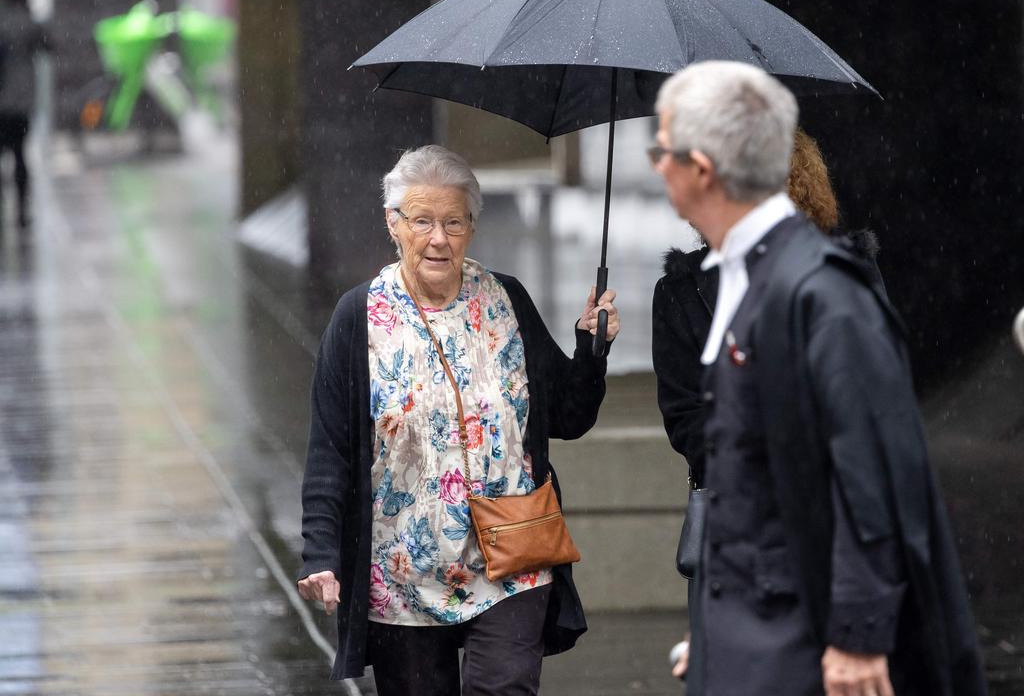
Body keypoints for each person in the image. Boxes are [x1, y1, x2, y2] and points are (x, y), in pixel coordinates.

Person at [648, 61, 986, 696]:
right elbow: (752, 481)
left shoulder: (823, 293)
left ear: (703, 167)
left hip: (815, 641)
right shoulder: (744, 280)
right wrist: (724, 628)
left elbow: (873, 478)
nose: (656, 165)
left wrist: (859, 637)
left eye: (663, 149)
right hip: (761, 627)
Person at [296, 144, 619, 696]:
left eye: (453, 221)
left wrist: (591, 351)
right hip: (403, 575)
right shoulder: (359, 318)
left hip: (512, 557)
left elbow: (567, 415)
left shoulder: (506, 300)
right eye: (422, 221)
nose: (439, 239)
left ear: (471, 225)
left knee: (505, 688)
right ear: (392, 224)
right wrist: (322, 553)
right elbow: (331, 451)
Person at [655, 127, 870, 683]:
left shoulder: (845, 278)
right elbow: (686, 420)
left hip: (834, 529)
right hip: (738, 533)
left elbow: (870, 421)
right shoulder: (682, 290)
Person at [0, 0, 47, 228]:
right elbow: (49, 45)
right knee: (19, 154)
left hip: (3, 101)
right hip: (19, 101)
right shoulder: (27, 22)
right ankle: (20, 211)